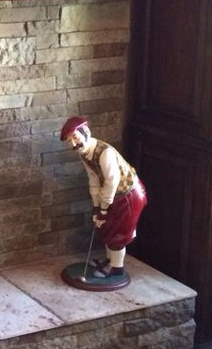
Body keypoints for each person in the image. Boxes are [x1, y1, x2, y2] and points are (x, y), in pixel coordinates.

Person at [60, 115, 147, 283]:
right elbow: (93, 180)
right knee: (107, 228)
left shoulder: (104, 153)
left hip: (128, 195)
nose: (73, 144)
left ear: (86, 132)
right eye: (69, 141)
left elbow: (111, 182)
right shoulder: (84, 153)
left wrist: (104, 209)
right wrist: (96, 206)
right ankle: (110, 261)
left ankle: (116, 269)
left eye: (75, 138)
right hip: (114, 195)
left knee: (118, 234)